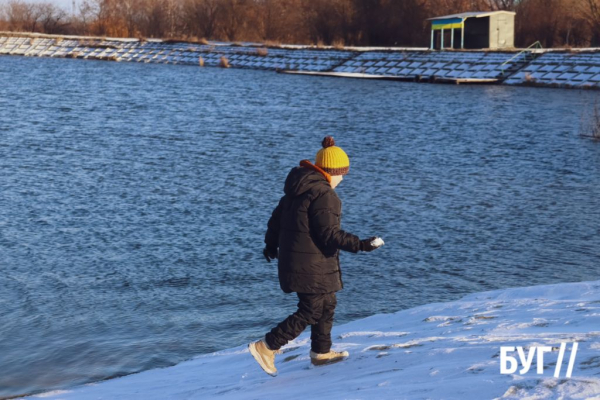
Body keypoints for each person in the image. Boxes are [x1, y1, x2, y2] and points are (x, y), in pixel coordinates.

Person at [249, 136, 382, 377]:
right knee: (311, 309)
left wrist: (270, 245)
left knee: (327, 303)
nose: (342, 179)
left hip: (301, 260)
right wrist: (362, 245)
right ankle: (267, 346)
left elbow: (276, 220)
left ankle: (321, 353)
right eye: (342, 174)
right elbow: (329, 234)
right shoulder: (324, 194)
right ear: (333, 171)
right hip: (311, 263)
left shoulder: (297, 189)